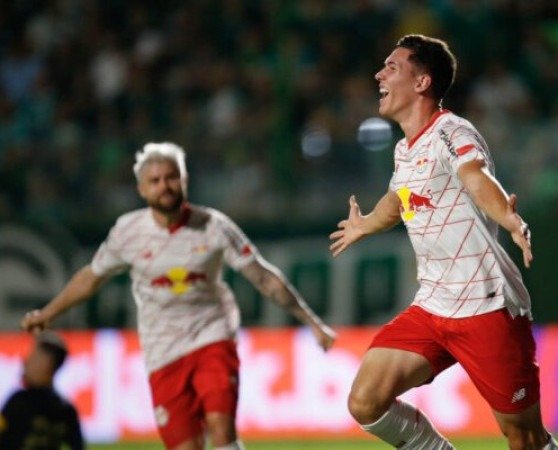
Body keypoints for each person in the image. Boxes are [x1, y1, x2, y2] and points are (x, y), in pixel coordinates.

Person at [329, 34, 558, 450]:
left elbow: (475, 175)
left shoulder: (452, 130)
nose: (379, 75)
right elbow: (397, 199)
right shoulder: (404, 150)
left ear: (422, 83)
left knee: (524, 437)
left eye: (392, 67)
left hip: (485, 304)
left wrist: (508, 217)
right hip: (434, 305)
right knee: (366, 401)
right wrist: (365, 224)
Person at [21, 142, 336, 450]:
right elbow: (91, 278)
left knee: (221, 428)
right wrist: (48, 313)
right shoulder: (127, 232)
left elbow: (264, 277)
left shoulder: (214, 226)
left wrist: (312, 322)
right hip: (162, 350)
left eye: (171, 177)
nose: (165, 186)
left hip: (212, 334)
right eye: (155, 180)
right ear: (142, 189)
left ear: (184, 180)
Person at [0, 331, 84, 450]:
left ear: (46, 365)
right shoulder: (66, 410)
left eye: (33, 358)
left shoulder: (18, 402)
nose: (25, 362)